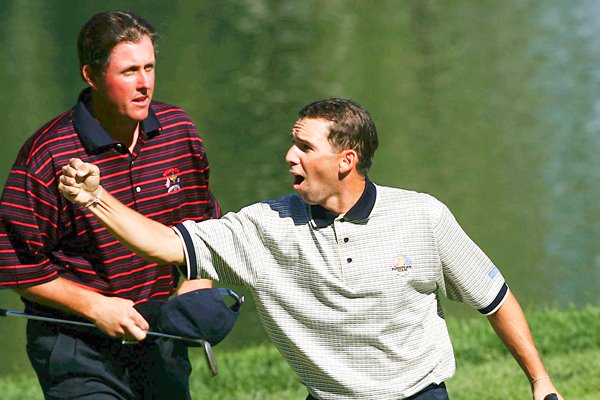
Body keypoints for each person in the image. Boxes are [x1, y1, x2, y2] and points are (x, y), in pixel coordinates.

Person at [58, 98, 562, 400]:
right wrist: (96, 198)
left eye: (304, 147)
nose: (289, 156)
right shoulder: (266, 226)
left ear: (346, 160)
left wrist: (539, 380)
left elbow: (494, 297)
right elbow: (167, 245)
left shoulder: (422, 217)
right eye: (291, 144)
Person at [0, 10, 220, 400]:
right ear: (91, 76)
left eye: (149, 68)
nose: (144, 84)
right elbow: (13, 262)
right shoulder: (48, 155)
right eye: (129, 71)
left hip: (159, 334)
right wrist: (95, 307)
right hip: (76, 346)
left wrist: (196, 284)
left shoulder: (178, 132)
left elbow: (204, 229)